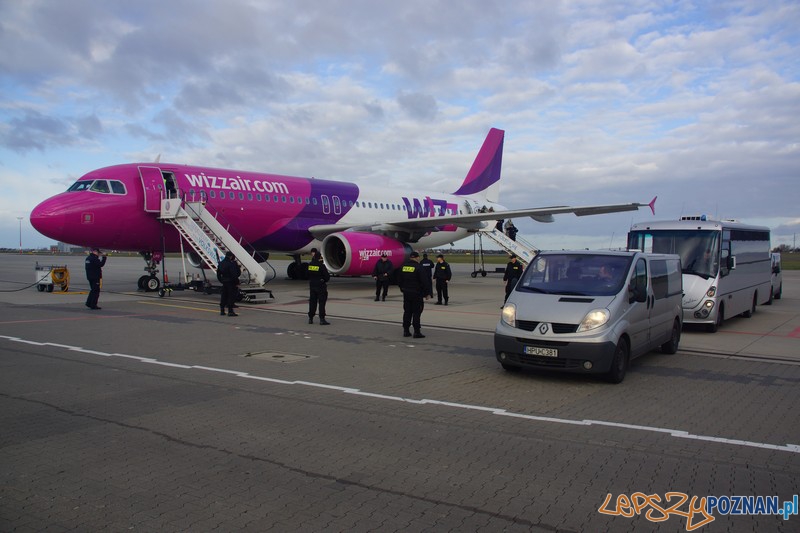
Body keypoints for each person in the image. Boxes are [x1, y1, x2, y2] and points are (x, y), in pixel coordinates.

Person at [397, 251, 431, 338]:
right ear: (417, 258)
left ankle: (406, 331)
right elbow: (425, 282)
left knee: (407, 312)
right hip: (416, 293)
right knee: (416, 312)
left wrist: (402, 289)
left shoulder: (403, 266)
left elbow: (399, 280)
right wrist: (427, 293)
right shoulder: (419, 267)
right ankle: (417, 332)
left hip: (406, 293)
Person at [307, 254, 331, 325]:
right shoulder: (321, 266)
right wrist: (322, 280)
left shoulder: (310, 265)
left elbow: (307, 274)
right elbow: (327, 277)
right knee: (321, 303)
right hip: (320, 286)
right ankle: (322, 319)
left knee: (312, 302)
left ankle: (310, 318)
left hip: (312, 285)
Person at [217, 251, 241, 316]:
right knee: (231, 296)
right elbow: (234, 274)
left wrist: (221, 281)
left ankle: (222, 311)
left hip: (224, 282)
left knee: (224, 296)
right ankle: (230, 311)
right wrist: (237, 282)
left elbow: (218, 274)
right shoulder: (231, 264)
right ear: (231, 256)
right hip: (231, 282)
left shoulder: (221, 263)